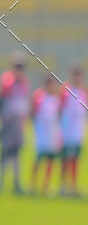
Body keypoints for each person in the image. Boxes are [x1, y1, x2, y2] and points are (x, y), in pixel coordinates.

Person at [0, 52, 31, 194]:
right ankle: (1, 182)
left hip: (18, 123)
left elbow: (25, 103)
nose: (19, 69)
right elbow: (0, 100)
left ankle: (16, 183)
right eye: (17, 66)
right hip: (8, 121)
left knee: (16, 153)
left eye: (21, 67)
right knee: (4, 151)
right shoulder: (7, 80)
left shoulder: (24, 82)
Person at [30, 75, 62, 195]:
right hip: (41, 134)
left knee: (50, 160)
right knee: (38, 160)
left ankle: (46, 185)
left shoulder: (56, 100)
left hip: (52, 135)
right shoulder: (40, 97)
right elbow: (33, 113)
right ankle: (33, 184)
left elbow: (58, 117)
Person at [60, 65, 87, 196]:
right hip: (66, 133)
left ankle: (73, 186)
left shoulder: (83, 93)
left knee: (75, 160)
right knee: (65, 160)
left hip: (78, 133)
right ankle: (63, 186)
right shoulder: (66, 91)